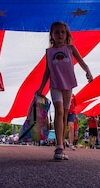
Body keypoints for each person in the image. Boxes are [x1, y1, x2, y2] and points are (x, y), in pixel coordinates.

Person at [36, 21, 93, 161]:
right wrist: (41, 88)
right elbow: (47, 72)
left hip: (68, 85)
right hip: (55, 85)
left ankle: (62, 146)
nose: (60, 34)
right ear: (52, 35)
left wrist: (88, 72)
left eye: (62, 32)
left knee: (65, 115)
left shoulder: (70, 48)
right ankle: (59, 145)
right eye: (57, 32)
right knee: (59, 111)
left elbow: (81, 61)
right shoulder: (49, 52)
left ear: (67, 34)